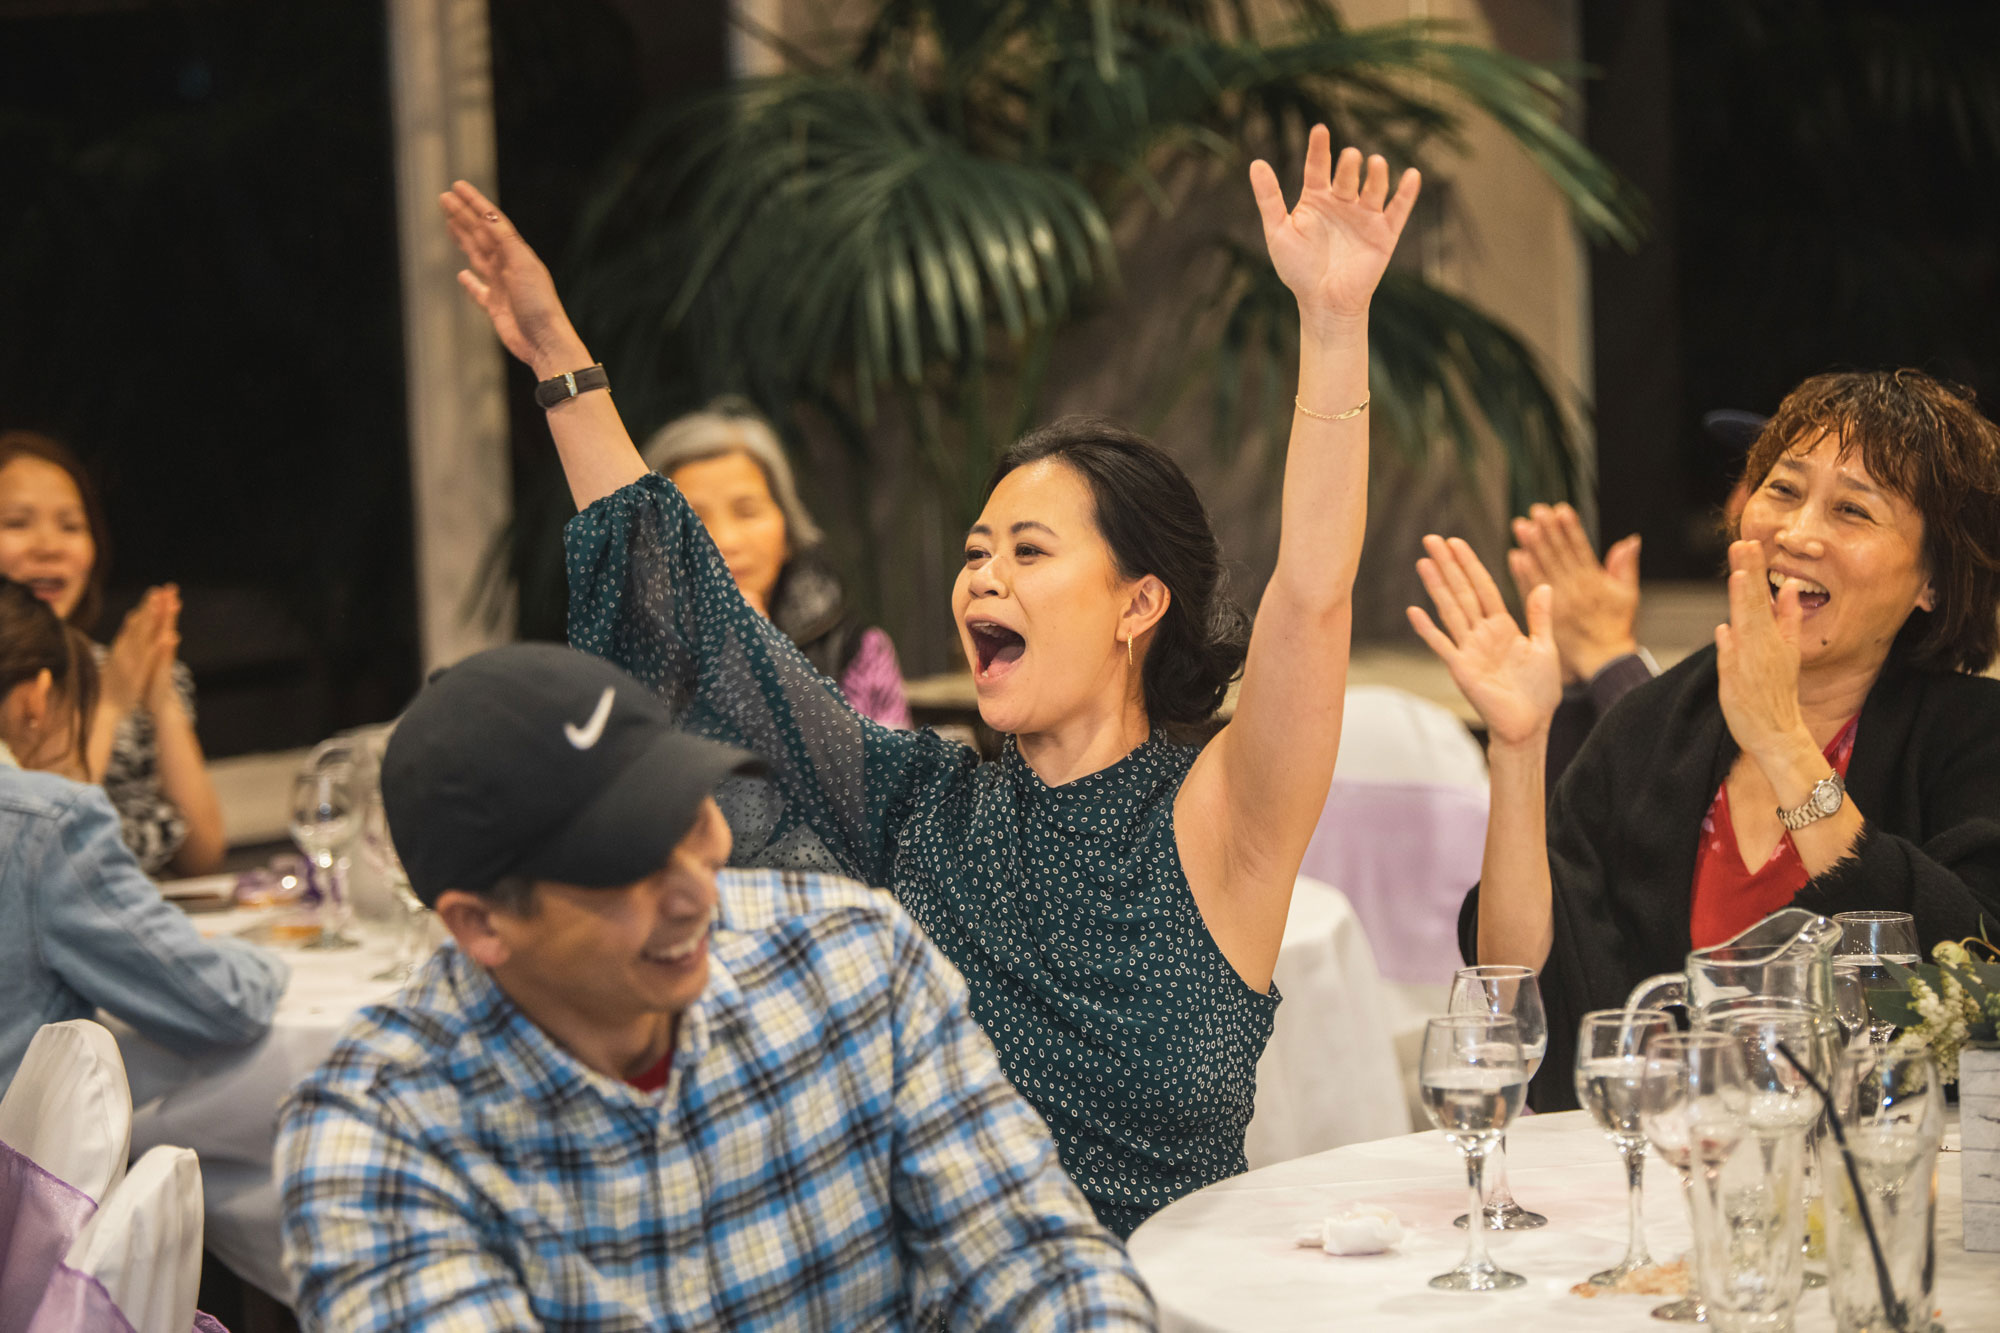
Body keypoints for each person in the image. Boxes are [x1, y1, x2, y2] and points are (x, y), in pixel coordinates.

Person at [438, 126, 1419, 1234]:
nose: (981, 576)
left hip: (1153, 1297)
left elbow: (1312, 597)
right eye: (972, 552)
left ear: (1138, 605)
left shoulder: (1219, 814)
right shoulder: (914, 806)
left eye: (1029, 551)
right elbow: (709, 632)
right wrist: (564, 365)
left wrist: (1334, 328)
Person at [275, 643, 1153, 1331]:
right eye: (625, 864)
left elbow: (1031, 1259)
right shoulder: (381, 1128)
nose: (699, 887)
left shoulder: (849, 958)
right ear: (480, 925)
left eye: (692, 814)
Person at [1410, 370, 2000, 1108]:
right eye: (1782, 490)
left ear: (1933, 583)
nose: (1797, 532)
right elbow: (1519, 989)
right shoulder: (1653, 723)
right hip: (1658, 1177)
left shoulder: (1975, 738)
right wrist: (1519, 746)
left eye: (1853, 509)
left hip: (1884, 1191)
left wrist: (1783, 743)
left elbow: (1968, 994)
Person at [0, 577, 285, 1092]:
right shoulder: (44, 822)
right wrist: (274, 961)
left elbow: (202, 845)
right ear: (34, 701)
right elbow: (221, 1004)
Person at [0, 430, 226, 875]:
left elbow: (204, 854)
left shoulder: (118, 664)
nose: (50, 547)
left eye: (71, 526)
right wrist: (110, 704)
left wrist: (158, 692)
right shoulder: (14, 684)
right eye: (17, 523)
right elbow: (36, 856)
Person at [641, 401, 911, 727]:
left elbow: (889, 774)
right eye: (694, 520)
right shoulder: (624, 652)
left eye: (747, 511)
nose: (725, 540)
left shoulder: (855, 649)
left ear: (787, 533)